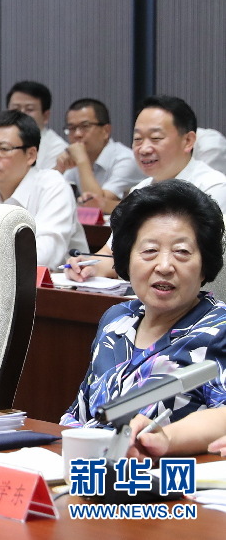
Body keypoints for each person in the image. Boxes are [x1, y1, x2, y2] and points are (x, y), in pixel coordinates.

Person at [61, 180, 226, 432]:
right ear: (127, 259)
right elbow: (80, 415)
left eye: (182, 252)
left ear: (205, 265)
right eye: (150, 250)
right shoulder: (117, 320)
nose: (164, 266)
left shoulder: (218, 332)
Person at [67, 95, 226, 282]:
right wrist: (86, 266)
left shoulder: (213, 187)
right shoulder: (141, 190)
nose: (144, 149)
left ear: (188, 141)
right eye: (138, 139)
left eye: (156, 138)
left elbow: (208, 265)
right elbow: (111, 254)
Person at [0, 110, 87, 267]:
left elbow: (43, 256)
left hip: (61, 280)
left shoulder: (53, 186)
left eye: (4, 149)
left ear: (30, 155)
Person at [55, 98, 143, 213]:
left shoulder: (126, 160)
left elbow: (97, 205)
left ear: (106, 131)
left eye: (85, 126)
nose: (77, 134)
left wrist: (82, 161)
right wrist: (59, 168)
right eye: (71, 128)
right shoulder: (76, 156)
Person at [7, 80, 67, 170]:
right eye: (16, 109)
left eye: (29, 109)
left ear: (45, 116)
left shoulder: (57, 148)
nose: (21, 114)